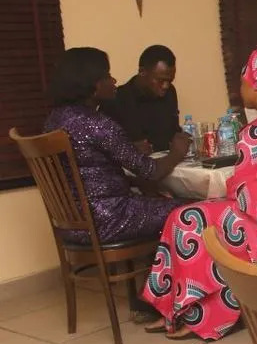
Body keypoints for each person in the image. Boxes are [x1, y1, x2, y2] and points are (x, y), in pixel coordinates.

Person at [143, 46, 257, 340]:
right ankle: (179, 309)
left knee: (186, 219)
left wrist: (224, 192)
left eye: (243, 80)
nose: (241, 88)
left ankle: (192, 313)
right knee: (195, 212)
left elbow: (244, 193)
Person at [44, 47, 189, 245]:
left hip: (73, 227)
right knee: (195, 209)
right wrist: (177, 152)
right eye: (107, 76)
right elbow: (151, 171)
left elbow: (88, 176)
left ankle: (163, 262)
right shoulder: (98, 124)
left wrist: (134, 181)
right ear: (93, 84)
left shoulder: (54, 120)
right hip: (110, 219)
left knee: (163, 199)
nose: (113, 81)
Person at [101, 44, 182, 153]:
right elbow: (105, 146)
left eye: (170, 81)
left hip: (168, 160)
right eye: (161, 80)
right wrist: (130, 149)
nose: (165, 86)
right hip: (133, 163)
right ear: (142, 72)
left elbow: (174, 132)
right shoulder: (116, 99)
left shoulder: (170, 92)